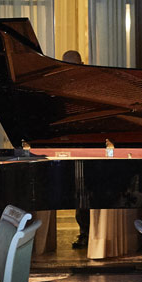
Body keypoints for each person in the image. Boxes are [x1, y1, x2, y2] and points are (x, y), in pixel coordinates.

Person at [62, 49, 90, 248]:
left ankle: (89, 233)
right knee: (79, 193)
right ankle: (84, 232)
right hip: (72, 146)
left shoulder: (89, 85)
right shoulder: (62, 87)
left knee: (86, 192)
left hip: (89, 145)